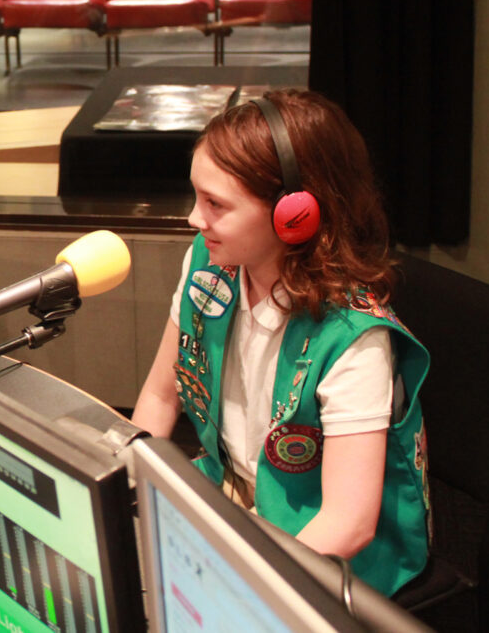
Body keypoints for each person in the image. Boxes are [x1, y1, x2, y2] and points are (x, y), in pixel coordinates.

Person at [131, 89, 429, 596]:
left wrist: (241, 588)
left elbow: (348, 524)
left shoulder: (353, 339)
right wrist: (126, 485)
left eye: (215, 204)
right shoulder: (209, 263)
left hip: (320, 546)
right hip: (236, 498)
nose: (195, 219)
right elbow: (161, 397)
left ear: (295, 215)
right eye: (197, 197)